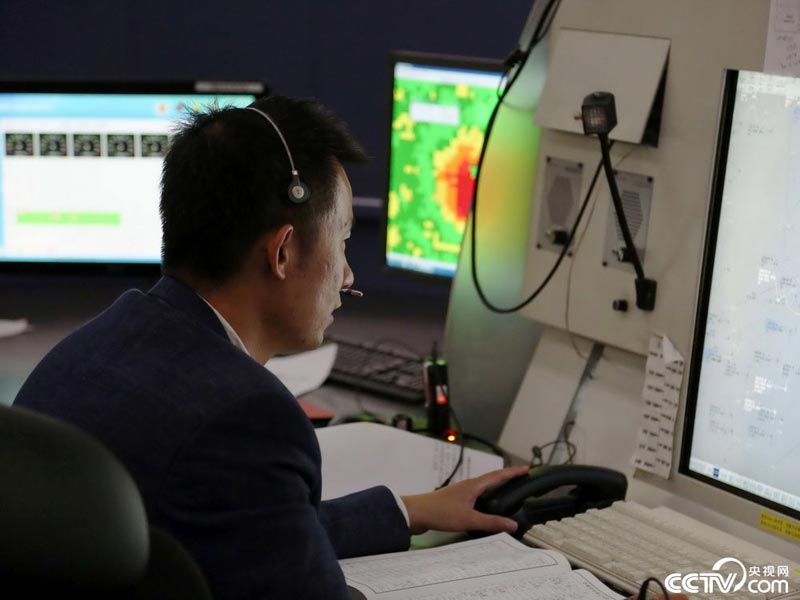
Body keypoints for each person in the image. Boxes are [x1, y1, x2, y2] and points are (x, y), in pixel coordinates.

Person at [13, 96, 527, 600]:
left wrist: (410, 511)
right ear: (282, 253)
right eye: (343, 240)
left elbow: (253, 527)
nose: (348, 275)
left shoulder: (89, 349)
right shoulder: (248, 417)